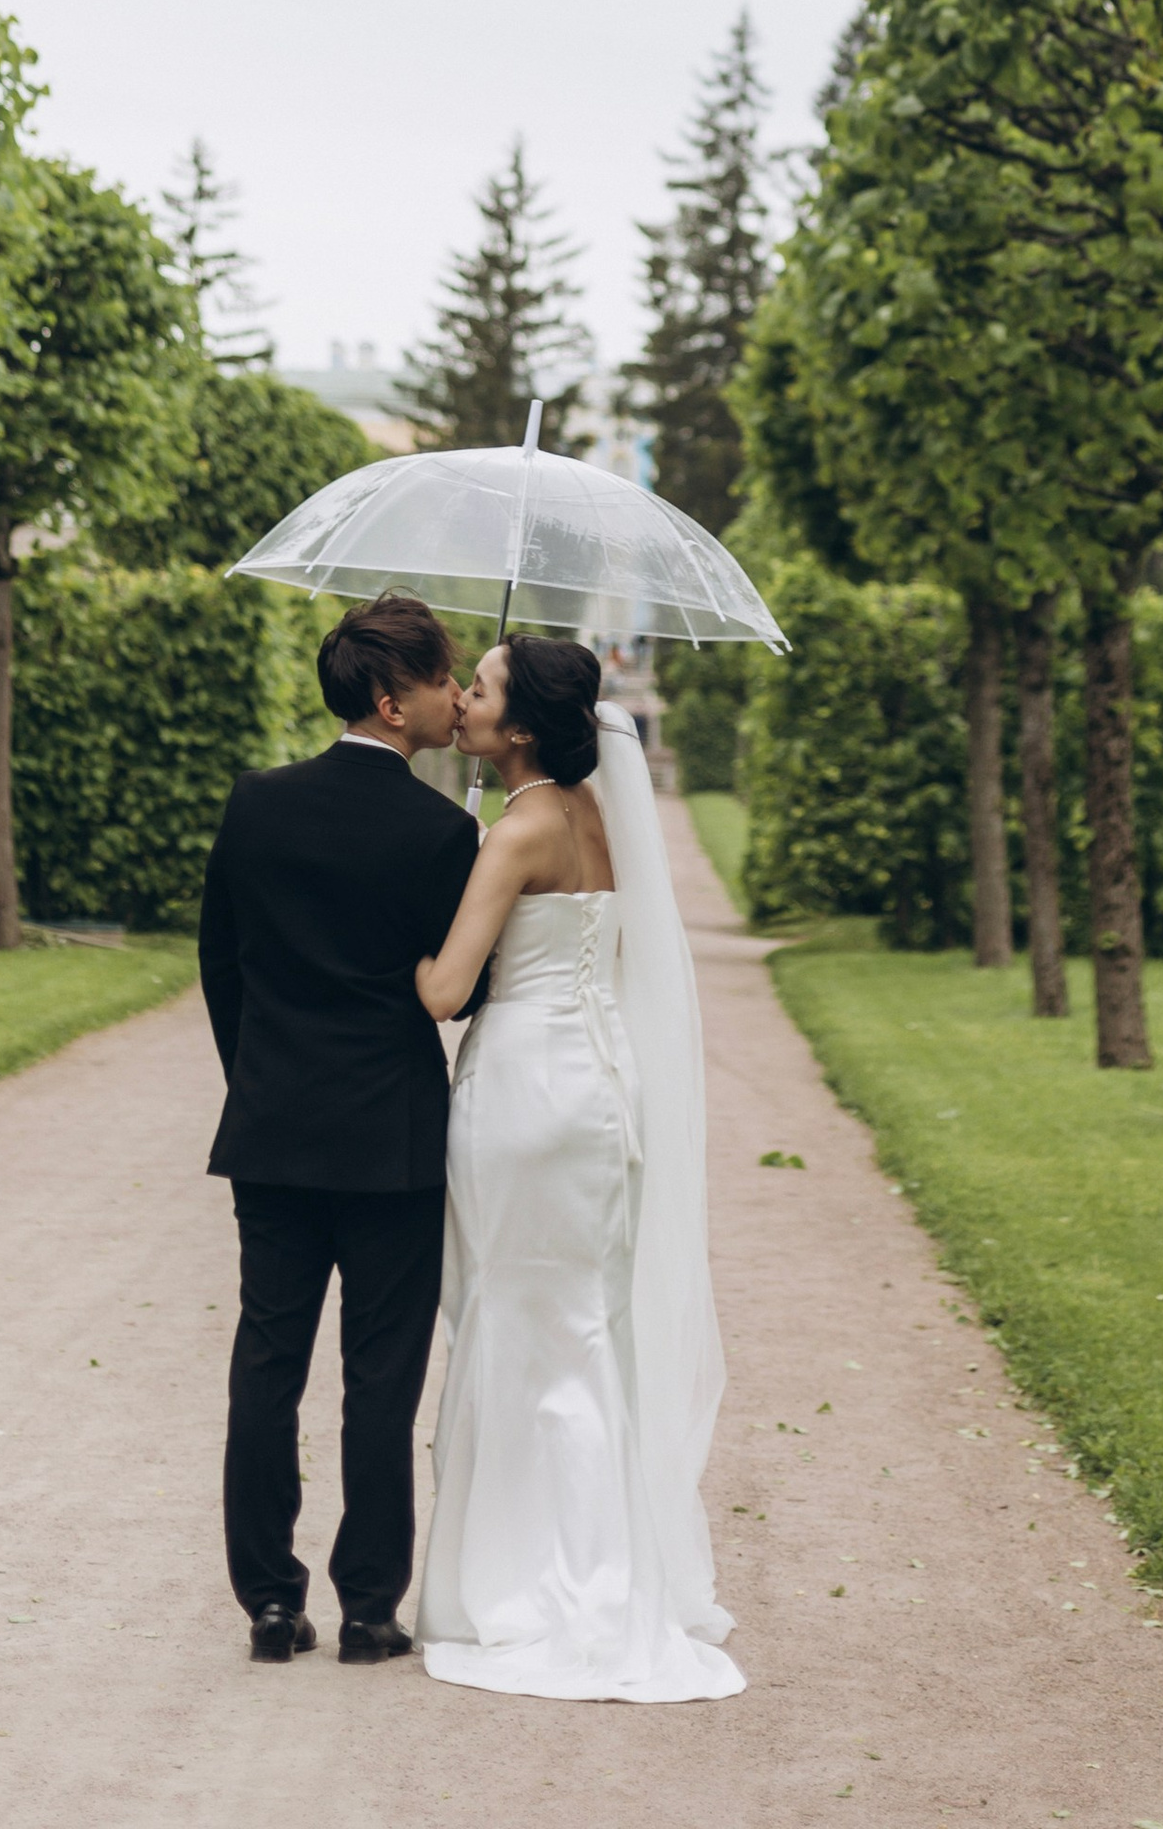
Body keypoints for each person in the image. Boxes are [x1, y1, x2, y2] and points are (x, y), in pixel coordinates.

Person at [412, 633, 742, 1700]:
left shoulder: (517, 832)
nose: (461, 697)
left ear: (517, 729)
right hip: (601, 1096)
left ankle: (521, 1581)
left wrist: (399, 942)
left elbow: (445, 992)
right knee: (587, 1329)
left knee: (510, 1322)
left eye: (479, 688)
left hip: (521, 1091)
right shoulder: (595, 815)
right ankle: (608, 1570)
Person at [197, 590, 476, 1667]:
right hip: (392, 1142)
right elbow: (465, 987)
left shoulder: (256, 804)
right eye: (440, 678)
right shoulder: (443, 833)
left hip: (273, 1130)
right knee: (381, 1376)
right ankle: (368, 1608)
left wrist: (260, 1079)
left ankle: (269, 1602)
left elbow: (221, 966)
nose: (456, 695)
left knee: (267, 1361)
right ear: (390, 702)